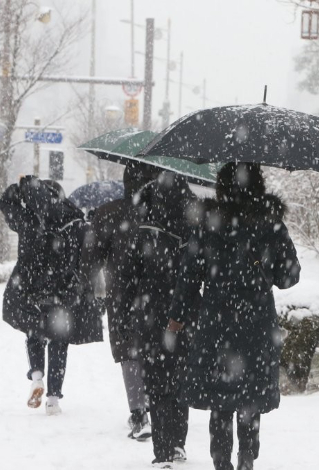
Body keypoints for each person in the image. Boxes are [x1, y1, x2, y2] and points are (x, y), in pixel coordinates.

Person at [168, 163, 301, 470]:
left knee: (220, 400)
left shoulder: (209, 223)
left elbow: (189, 276)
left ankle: (221, 461)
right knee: (250, 397)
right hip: (256, 322)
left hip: (217, 323)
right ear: (259, 184)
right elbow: (289, 277)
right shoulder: (271, 224)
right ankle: (246, 458)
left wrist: (177, 317)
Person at [0, 176, 103, 416]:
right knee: (58, 341)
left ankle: (37, 377)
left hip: (33, 289)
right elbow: (88, 256)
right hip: (64, 291)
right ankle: (53, 399)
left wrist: (21, 185)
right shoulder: (74, 222)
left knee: (34, 332)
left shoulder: (28, 220)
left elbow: (6, 201)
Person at [114, 172, 196, 468]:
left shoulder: (143, 232)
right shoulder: (192, 232)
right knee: (179, 381)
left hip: (149, 319)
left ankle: (162, 450)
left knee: (157, 383)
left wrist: (123, 317)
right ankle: (178, 443)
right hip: (183, 318)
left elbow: (126, 280)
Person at [81, 162, 160, 440]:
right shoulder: (162, 211)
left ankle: (139, 413)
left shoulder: (108, 213)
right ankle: (157, 406)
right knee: (156, 347)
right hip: (157, 292)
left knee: (129, 351)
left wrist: (92, 288)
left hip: (121, 293)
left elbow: (91, 259)